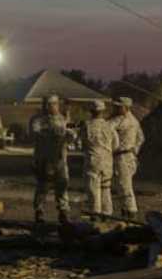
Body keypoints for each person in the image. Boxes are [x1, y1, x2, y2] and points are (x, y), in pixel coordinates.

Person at [29, 94, 75, 225]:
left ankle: (63, 212)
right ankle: (39, 211)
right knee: (43, 187)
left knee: (62, 186)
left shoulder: (63, 119)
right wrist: (51, 132)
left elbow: (71, 137)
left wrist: (70, 135)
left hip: (60, 159)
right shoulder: (38, 120)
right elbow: (35, 133)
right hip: (44, 159)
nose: (51, 107)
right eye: (48, 104)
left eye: (54, 104)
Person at [79, 99, 119, 219]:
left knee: (93, 189)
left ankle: (95, 214)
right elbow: (116, 144)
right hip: (107, 160)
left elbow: (82, 143)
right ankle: (107, 213)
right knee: (106, 188)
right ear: (103, 111)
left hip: (93, 159)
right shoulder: (109, 125)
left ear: (91, 111)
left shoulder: (87, 125)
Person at [111, 96, 144, 220]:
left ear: (125, 107)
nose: (115, 108)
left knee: (125, 185)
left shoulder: (122, 120)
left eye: (118, 107)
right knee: (122, 185)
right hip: (128, 155)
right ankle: (125, 211)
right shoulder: (135, 120)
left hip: (123, 156)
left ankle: (131, 212)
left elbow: (108, 128)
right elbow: (141, 137)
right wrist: (135, 150)